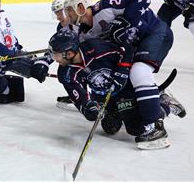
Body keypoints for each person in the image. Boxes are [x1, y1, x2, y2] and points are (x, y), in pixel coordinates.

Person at [63, 0, 174, 147]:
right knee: (129, 80)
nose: (68, 16)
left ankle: (155, 127)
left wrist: (130, 24)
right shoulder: (84, 35)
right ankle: (160, 99)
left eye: (69, 10)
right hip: (133, 48)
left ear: (80, 7)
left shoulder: (104, 7)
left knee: (139, 71)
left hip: (154, 32)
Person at [48, 29, 186, 149]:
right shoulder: (65, 72)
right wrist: (88, 107)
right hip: (102, 94)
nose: (55, 58)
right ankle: (126, 109)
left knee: (136, 128)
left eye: (57, 54)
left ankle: (163, 102)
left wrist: (121, 71)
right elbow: (79, 96)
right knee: (110, 127)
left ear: (70, 53)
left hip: (125, 87)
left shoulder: (96, 48)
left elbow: (127, 50)